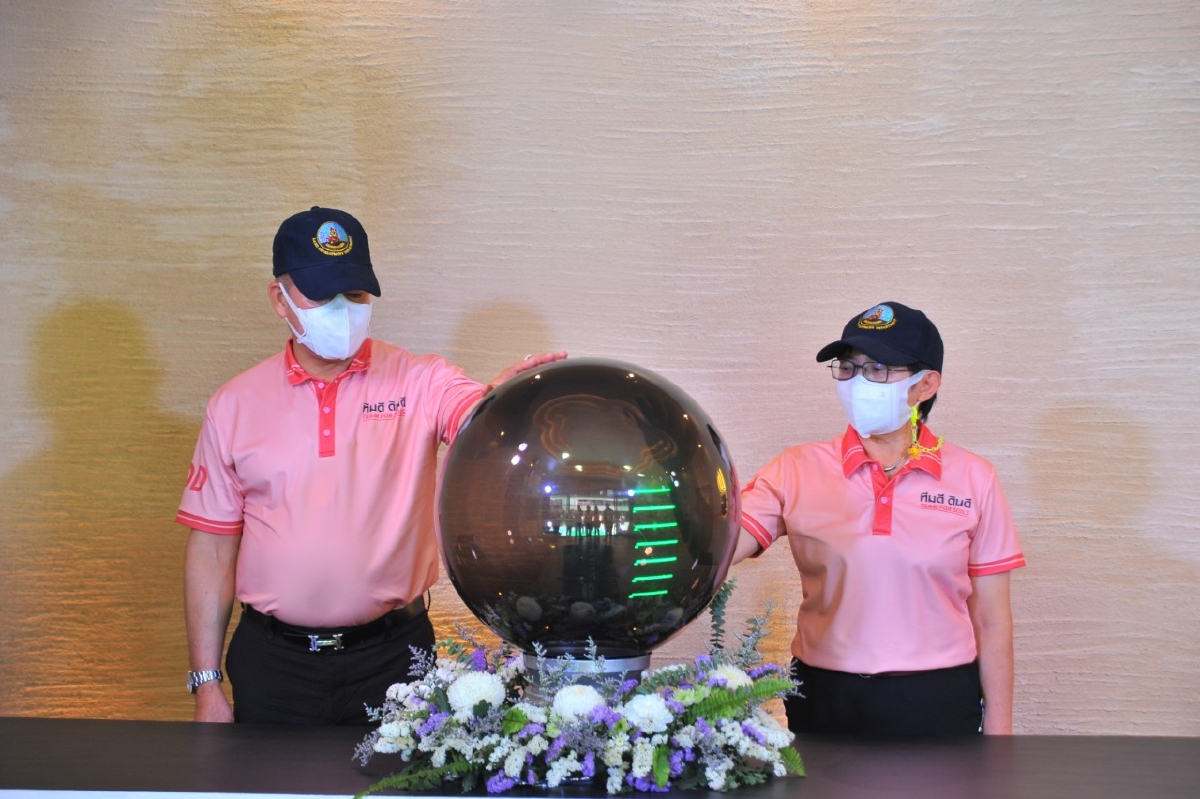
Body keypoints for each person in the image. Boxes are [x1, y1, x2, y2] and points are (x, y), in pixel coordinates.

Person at [178, 206, 564, 725]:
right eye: (322, 294)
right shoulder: (234, 404)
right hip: (273, 664)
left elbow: (472, 414)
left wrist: (501, 404)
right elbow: (211, 549)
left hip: (394, 658)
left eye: (356, 293)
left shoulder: (418, 380)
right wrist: (205, 682)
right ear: (280, 299)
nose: (342, 309)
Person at [731, 301, 1024, 736]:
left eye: (879, 369)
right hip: (825, 695)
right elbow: (721, 546)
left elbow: (992, 620)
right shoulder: (795, 469)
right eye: (848, 367)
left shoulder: (974, 478)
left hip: (937, 698)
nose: (858, 382)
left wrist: (1000, 735)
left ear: (926, 384)